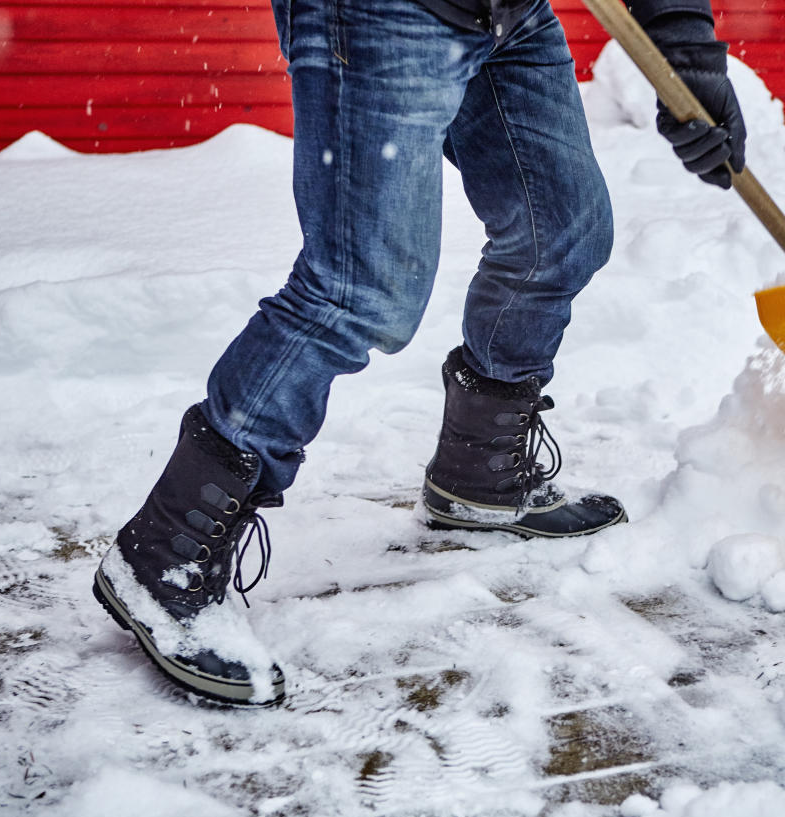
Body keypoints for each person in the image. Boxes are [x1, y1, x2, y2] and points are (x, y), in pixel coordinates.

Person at [92, 0, 747, 707]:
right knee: (359, 289)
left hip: (509, 11)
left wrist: (688, 59)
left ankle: (482, 471)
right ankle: (165, 554)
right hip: (383, 13)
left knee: (560, 230)